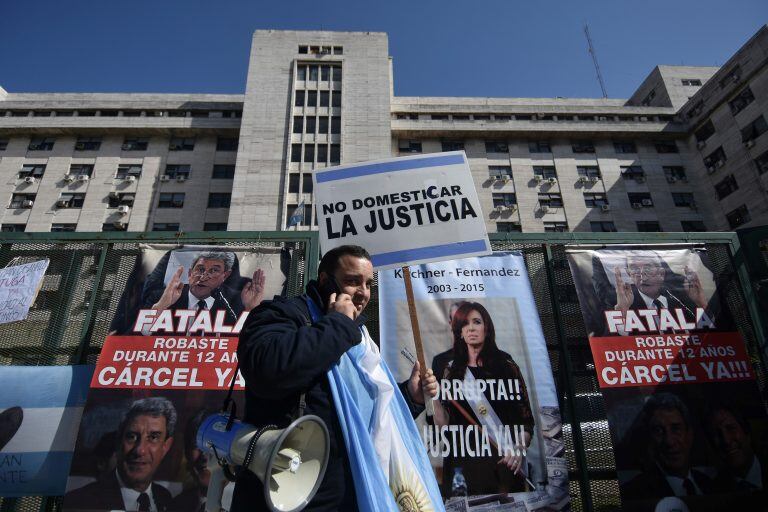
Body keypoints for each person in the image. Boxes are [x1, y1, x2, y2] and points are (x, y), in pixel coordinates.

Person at [233, 245, 442, 511]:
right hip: (288, 494)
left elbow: (367, 413)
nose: (363, 292)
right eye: (352, 281)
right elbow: (266, 370)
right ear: (325, 281)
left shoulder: (361, 338)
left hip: (349, 494)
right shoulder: (283, 313)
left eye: (368, 283)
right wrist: (338, 325)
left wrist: (410, 397)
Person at [432, 302, 535, 496]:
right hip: (463, 468)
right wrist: (434, 396)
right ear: (459, 332)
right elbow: (444, 426)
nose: (471, 328)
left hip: (503, 465)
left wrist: (519, 448)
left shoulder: (506, 365)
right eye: (465, 324)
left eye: (477, 322)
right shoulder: (450, 371)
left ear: (486, 328)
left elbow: (526, 420)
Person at [64, 397, 177, 511]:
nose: (140, 450)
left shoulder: (165, 498)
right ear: (118, 442)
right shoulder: (77, 502)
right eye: (131, 437)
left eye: (153, 437)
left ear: (165, 446)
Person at [621, 393, 713, 501]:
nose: (669, 441)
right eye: (658, 431)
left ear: (689, 435)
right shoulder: (632, 494)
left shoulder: (710, 484)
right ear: (650, 439)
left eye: (676, 429)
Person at [150, 251, 265, 323]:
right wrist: (162, 305)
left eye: (214, 270)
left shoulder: (237, 302)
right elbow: (139, 336)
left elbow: (249, 341)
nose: (203, 277)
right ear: (190, 273)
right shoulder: (161, 297)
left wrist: (250, 309)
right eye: (200, 269)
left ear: (225, 275)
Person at [706, 404, 766, 492]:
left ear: (747, 432)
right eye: (717, 434)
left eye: (731, 428)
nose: (726, 440)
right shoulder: (713, 491)